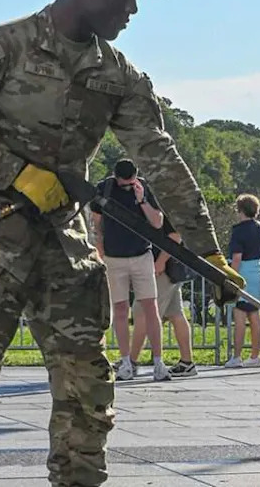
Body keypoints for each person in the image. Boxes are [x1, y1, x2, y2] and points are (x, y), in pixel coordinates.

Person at [0, 0, 245, 485]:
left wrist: (206, 250)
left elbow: (160, 158)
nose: (132, 8)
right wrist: (16, 171)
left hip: (66, 241)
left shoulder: (117, 74)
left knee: (88, 385)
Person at [91, 158, 169, 382]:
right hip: (114, 258)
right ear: (115, 176)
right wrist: (101, 250)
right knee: (121, 309)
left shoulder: (143, 187)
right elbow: (97, 224)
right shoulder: (104, 188)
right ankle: (125, 361)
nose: (127, 185)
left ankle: (158, 362)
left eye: (130, 181)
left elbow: (157, 223)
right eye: (124, 182)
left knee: (150, 307)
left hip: (142, 254)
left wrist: (141, 200)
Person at [130, 218, 198, 377]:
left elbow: (175, 236)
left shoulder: (163, 204)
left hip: (162, 269)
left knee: (142, 312)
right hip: (170, 269)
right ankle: (187, 363)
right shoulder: (168, 203)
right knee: (175, 314)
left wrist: (160, 261)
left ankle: (130, 362)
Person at [222, 194, 260, 369]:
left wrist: (230, 275)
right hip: (257, 271)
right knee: (254, 315)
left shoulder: (239, 231)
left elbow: (237, 257)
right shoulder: (259, 228)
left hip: (243, 274)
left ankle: (237, 356)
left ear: (240, 210)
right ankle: (255, 356)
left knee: (239, 316)